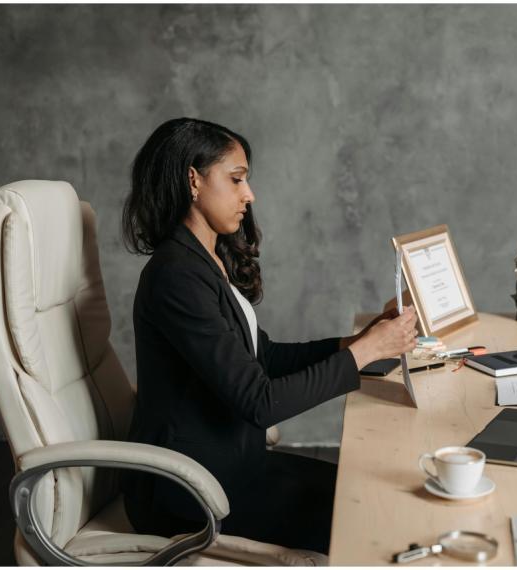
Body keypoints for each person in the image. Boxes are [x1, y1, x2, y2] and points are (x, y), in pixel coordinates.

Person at [120, 117, 418, 554]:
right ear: (193, 180)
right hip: (189, 493)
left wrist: (357, 343)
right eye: (237, 179)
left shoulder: (205, 260)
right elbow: (260, 401)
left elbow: (265, 357)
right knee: (369, 514)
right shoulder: (175, 277)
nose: (249, 195)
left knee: (374, 492)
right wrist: (363, 355)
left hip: (233, 465)